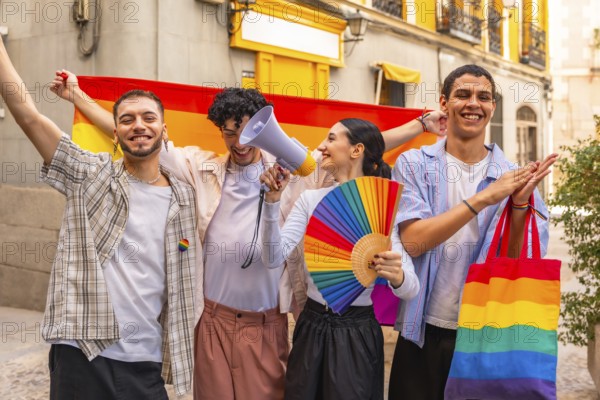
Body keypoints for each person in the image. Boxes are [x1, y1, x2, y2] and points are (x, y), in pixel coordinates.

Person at [50, 71, 446, 400]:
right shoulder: (198, 167)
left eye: (247, 132)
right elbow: (138, 138)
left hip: (266, 324)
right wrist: (79, 98)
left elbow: (360, 149)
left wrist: (419, 126)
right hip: (212, 321)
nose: (239, 143)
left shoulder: (296, 172)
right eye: (228, 133)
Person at [0, 39, 199, 398]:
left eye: (149, 118)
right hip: (82, 354)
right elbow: (27, 114)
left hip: (146, 362)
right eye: (127, 119)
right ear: (116, 133)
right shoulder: (90, 174)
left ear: (164, 131)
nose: (139, 125)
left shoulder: (184, 197)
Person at [388, 64, 558, 399]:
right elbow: (414, 241)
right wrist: (485, 197)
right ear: (444, 102)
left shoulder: (514, 176)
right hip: (422, 332)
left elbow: (516, 267)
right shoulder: (413, 165)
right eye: (463, 94)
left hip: (487, 336)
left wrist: (519, 207)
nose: (473, 103)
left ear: (493, 107)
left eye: (483, 96)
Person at [259, 118, 421, 400]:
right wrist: (272, 204)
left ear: (357, 150)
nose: (322, 146)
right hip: (310, 325)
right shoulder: (311, 200)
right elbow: (273, 258)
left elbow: (412, 289)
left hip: (356, 333)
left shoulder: (381, 209)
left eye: (331, 138)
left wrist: (398, 276)